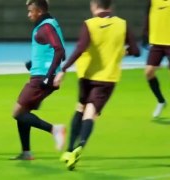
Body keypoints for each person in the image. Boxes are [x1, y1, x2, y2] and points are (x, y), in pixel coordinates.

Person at [53, 0, 140, 170]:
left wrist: (63, 69)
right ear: (111, 6)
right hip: (107, 78)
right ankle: (80, 147)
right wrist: (122, 51)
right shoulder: (122, 24)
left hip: (86, 75)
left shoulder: (89, 24)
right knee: (91, 112)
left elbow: (79, 49)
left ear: (94, 5)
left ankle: (69, 149)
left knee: (80, 108)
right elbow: (136, 51)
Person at [11, 0, 66, 160]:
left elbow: (59, 50)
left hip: (42, 78)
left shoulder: (46, 27)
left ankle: (55, 129)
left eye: (31, 11)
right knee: (23, 112)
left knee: (17, 112)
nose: (29, 14)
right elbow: (59, 52)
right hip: (41, 74)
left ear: (39, 11)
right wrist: (33, 63)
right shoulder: (50, 24)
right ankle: (26, 152)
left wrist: (49, 75)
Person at [142, 0, 170, 118]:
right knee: (148, 72)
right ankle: (161, 101)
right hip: (157, 42)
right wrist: (145, 34)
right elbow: (148, 17)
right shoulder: (152, 1)